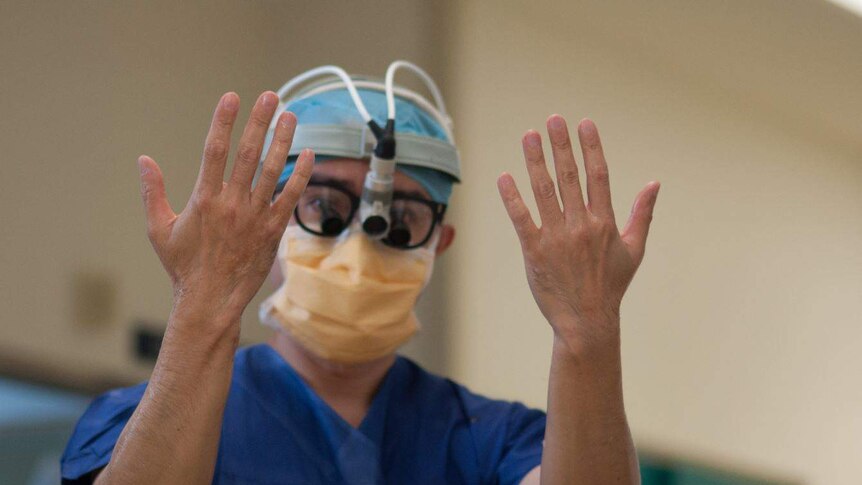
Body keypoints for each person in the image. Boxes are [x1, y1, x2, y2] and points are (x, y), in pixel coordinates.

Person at [60, 66, 660, 485]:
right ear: (266, 227)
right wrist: (203, 307)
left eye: (402, 218)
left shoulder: (490, 439)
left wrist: (589, 332)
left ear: (439, 244)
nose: (361, 244)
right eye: (324, 206)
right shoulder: (140, 418)